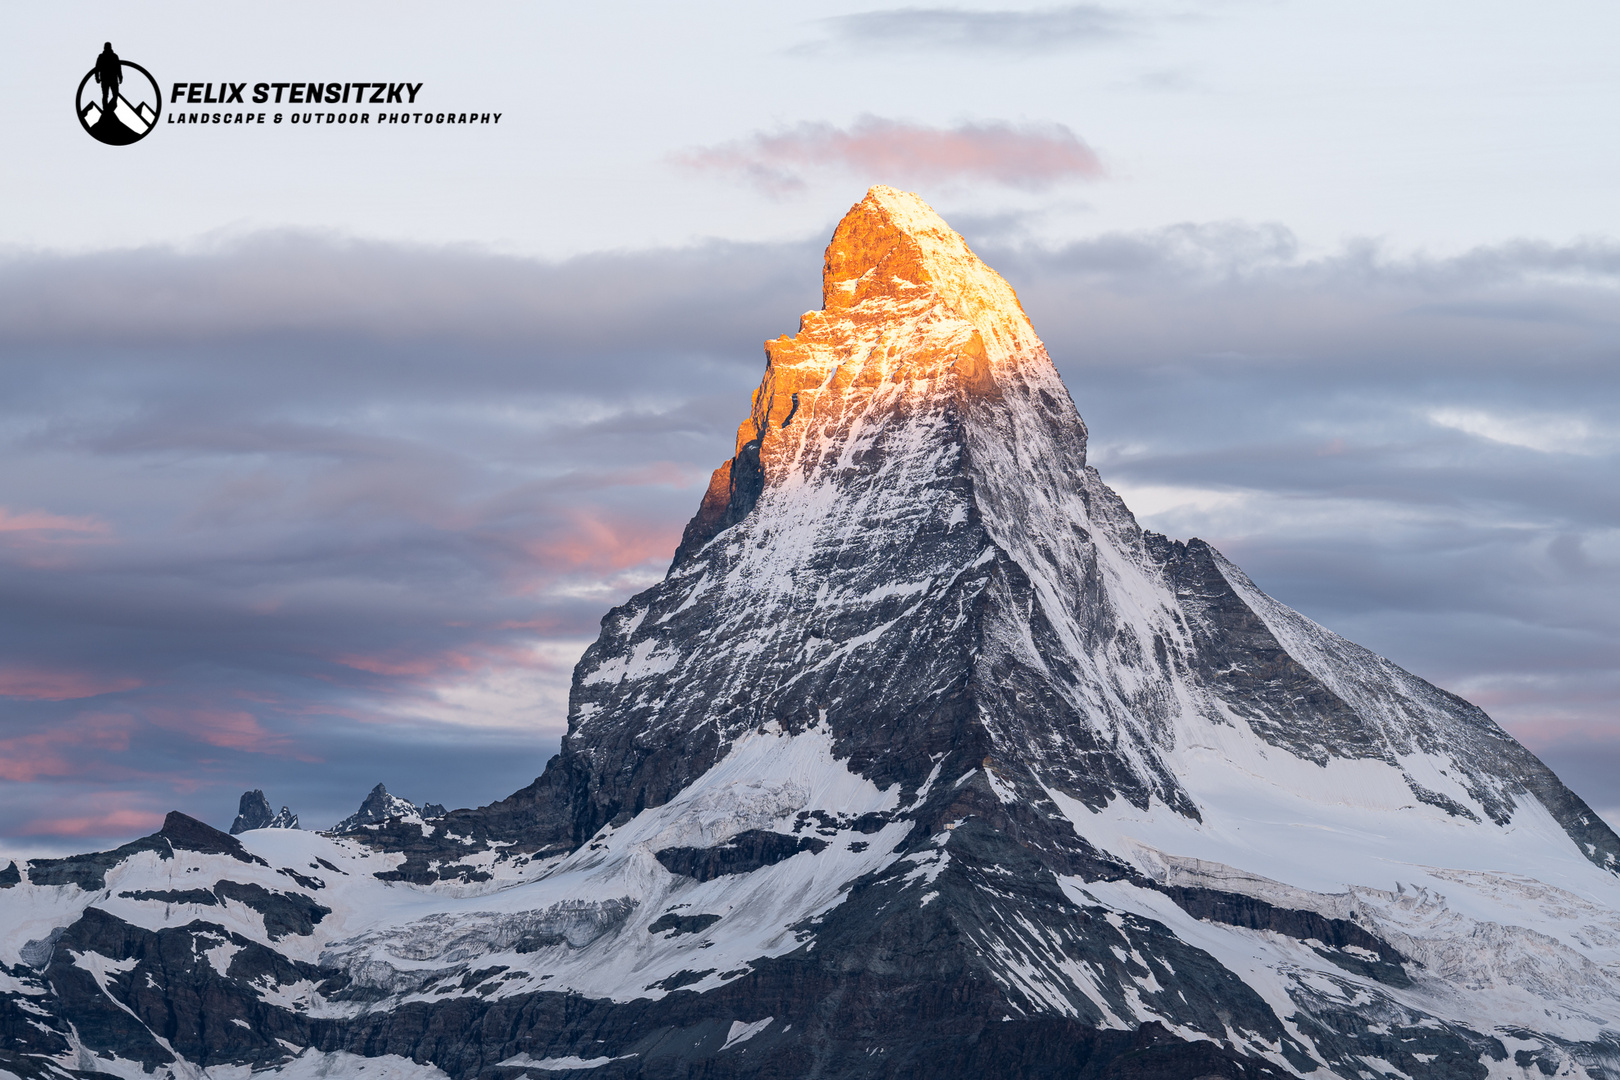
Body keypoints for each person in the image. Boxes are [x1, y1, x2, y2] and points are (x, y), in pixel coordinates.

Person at [94, 42, 121, 114]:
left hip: (110, 79)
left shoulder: (113, 56)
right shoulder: (104, 56)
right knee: (107, 95)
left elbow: (118, 68)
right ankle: (106, 110)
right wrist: (97, 77)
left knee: (114, 95)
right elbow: (97, 69)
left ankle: (109, 109)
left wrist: (120, 76)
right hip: (108, 79)